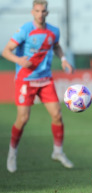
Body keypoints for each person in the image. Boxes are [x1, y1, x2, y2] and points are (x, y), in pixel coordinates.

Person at [2, 0, 74, 173]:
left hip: (45, 79)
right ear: (32, 12)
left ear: (47, 13)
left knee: (57, 114)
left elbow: (56, 47)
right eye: (37, 11)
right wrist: (19, 60)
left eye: (43, 11)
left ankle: (58, 152)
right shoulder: (25, 30)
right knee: (23, 119)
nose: (40, 14)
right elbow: (6, 51)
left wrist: (63, 59)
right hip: (25, 80)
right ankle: (12, 153)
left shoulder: (53, 31)